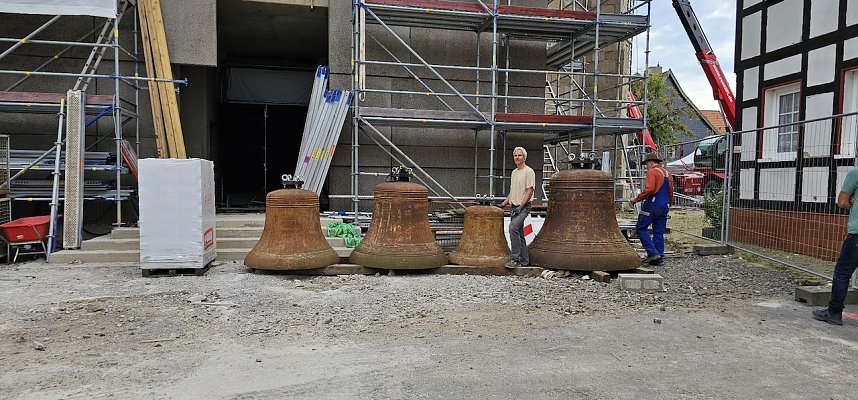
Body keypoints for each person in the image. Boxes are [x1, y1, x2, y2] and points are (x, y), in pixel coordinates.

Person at [811, 168, 858, 326]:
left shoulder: (856, 173)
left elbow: (842, 202)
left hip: (857, 234)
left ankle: (834, 312)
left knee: (842, 273)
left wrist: (852, 201)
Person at [629, 153, 673, 266]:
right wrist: (669, 205)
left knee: (641, 227)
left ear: (651, 163)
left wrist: (636, 199)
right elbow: (670, 191)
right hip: (664, 205)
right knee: (659, 232)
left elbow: (650, 189)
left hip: (653, 204)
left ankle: (653, 253)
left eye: (646, 164)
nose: (646, 167)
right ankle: (659, 258)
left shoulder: (652, 172)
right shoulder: (667, 173)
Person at [501, 146, 535, 268]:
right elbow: (512, 192)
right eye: (515, 155)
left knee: (512, 228)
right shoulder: (514, 172)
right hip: (514, 207)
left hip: (523, 207)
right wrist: (503, 204)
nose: (517, 157)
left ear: (524, 157)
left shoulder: (529, 171)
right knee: (520, 234)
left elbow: (529, 191)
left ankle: (515, 259)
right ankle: (524, 261)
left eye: (519, 155)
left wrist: (521, 206)